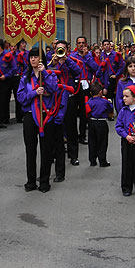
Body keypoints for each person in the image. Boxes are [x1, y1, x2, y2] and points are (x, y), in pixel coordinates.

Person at [18, 48, 59, 192]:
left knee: (46, 149)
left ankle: (44, 181)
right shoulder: (25, 77)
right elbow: (20, 97)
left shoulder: (49, 74)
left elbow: (54, 88)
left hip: (45, 115)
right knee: (30, 149)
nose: (33, 60)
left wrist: (45, 73)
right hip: (30, 114)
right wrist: (34, 93)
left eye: (36, 57)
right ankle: (30, 180)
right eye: (31, 57)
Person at [48, 40, 81, 175]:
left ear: (67, 50)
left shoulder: (71, 60)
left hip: (69, 97)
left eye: (62, 49)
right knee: (56, 128)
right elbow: (46, 74)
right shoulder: (51, 61)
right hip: (55, 98)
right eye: (58, 48)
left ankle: (73, 156)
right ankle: (55, 154)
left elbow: (78, 71)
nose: (60, 51)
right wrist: (55, 64)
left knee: (71, 127)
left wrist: (65, 60)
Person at [69, 36, 99, 144]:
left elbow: (96, 68)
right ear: (76, 45)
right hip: (75, 84)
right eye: (79, 43)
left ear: (86, 44)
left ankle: (82, 135)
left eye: (83, 43)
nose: (81, 45)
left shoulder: (90, 56)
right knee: (72, 112)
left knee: (84, 112)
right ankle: (72, 136)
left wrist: (87, 57)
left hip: (86, 84)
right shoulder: (72, 56)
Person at [0, 38, 17, 129]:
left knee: (2, 101)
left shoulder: (8, 55)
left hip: (4, 80)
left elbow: (14, 68)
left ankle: (0, 121)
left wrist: (6, 75)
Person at [85, 81, 113, 167]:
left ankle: (92, 160)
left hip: (92, 122)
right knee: (102, 142)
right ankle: (102, 160)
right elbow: (110, 109)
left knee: (92, 142)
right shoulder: (104, 101)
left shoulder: (90, 101)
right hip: (101, 122)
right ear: (100, 92)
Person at [11, 40, 28, 123]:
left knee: (25, 96)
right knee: (18, 96)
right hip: (16, 76)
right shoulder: (15, 54)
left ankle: (24, 114)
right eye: (22, 43)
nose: (24, 45)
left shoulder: (27, 53)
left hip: (25, 76)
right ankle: (18, 116)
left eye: (25, 43)